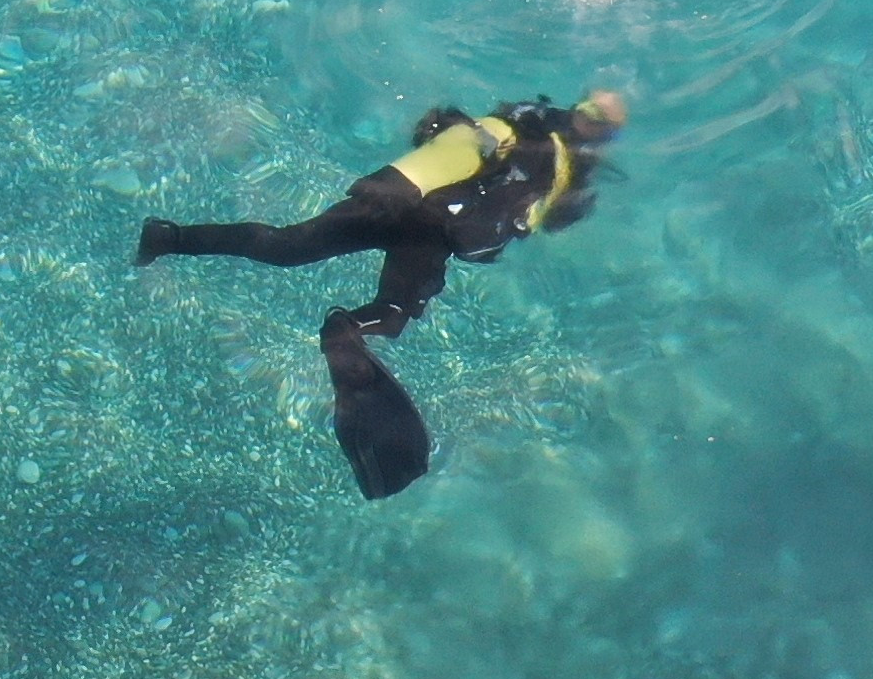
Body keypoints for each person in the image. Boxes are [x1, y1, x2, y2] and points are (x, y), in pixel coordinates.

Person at [135, 91, 627, 498]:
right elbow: (473, 154)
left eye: (600, 117)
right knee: (354, 291)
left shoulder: (544, 146)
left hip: (415, 220)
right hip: (418, 220)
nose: (592, 119)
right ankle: (337, 329)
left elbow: (450, 137)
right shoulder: (536, 138)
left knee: (307, 260)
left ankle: (174, 240)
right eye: (595, 112)